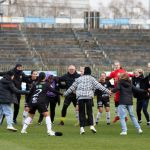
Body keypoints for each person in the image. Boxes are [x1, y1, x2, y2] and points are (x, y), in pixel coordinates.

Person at [64, 67, 111, 135]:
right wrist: (108, 91)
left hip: (80, 97)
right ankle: (91, 126)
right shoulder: (92, 78)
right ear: (90, 72)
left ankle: (82, 128)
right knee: (89, 112)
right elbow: (99, 86)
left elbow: (72, 87)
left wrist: (65, 94)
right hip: (89, 97)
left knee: (81, 113)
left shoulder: (79, 79)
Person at [21, 72, 63, 136]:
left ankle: (23, 130)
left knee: (31, 116)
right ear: (45, 77)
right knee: (47, 115)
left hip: (33, 101)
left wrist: (27, 104)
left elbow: (29, 94)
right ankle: (49, 131)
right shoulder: (46, 84)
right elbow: (53, 91)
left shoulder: (35, 84)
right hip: (40, 102)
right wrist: (61, 94)